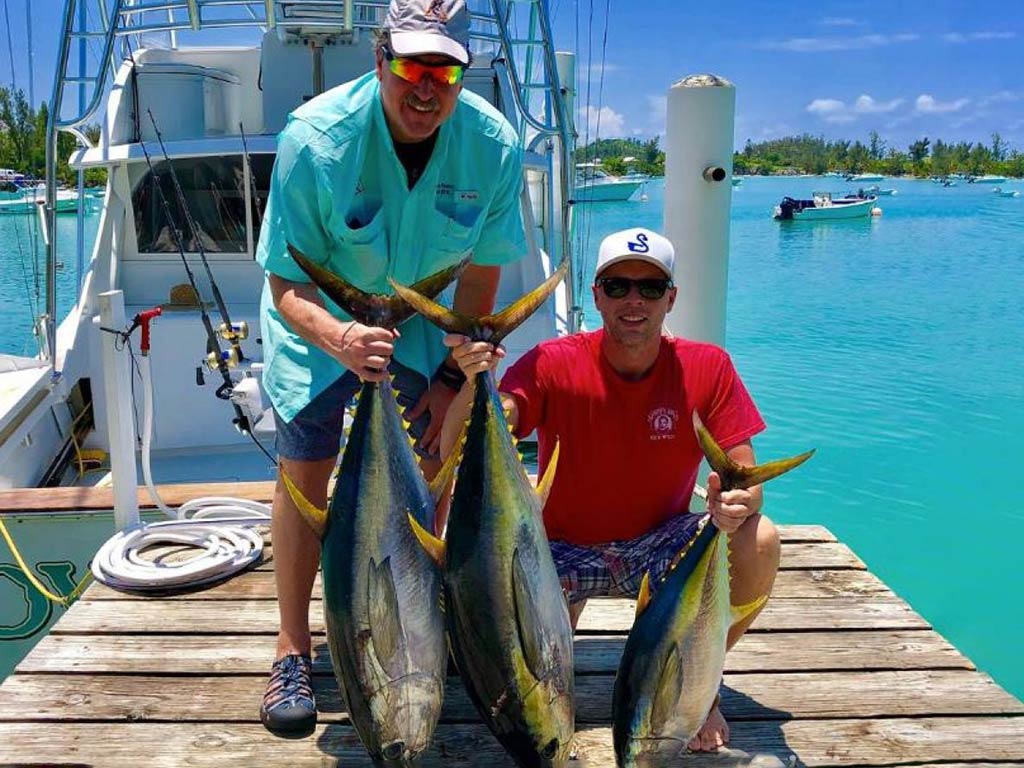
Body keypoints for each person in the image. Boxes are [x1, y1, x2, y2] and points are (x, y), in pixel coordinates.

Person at [255, 0, 526, 734]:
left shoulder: (493, 144)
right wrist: (341, 336)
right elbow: (287, 286)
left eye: (444, 70)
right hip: (320, 330)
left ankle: (418, 622)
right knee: (305, 466)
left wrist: (447, 382)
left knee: (429, 470)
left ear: (463, 76)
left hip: (420, 339)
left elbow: (479, 281)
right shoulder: (316, 139)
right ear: (379, 60)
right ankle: (291, 645)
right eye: (410, 66)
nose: (425, 88)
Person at [441, 227, 780, 753]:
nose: (634, 301)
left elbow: (744, 473)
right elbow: (456, 447)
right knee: (520, 665)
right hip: (556, 550)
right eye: (618, 286)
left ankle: (699, 679)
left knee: (760, 538)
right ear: (596, 295)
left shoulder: (707, 365)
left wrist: (735, 502)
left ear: (672, 297)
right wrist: (473, 381)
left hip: (661, 544)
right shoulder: (554, 361)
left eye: (650, 288)